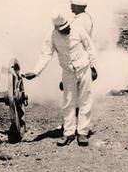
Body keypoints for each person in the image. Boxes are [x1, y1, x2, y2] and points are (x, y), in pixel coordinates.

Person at [23, 11, 98, 147]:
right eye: (62, 30)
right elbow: (45, 54)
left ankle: (82, 133)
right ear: (56, 28)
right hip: (68, 72)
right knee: (68, 102)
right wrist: (35, 72)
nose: (66, 30)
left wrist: (93, 67)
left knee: (85, 100)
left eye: (67, 27)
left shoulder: (79, 30)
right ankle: (68, 133)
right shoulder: (52, 36)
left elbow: (90, 47)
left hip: (84, 68)